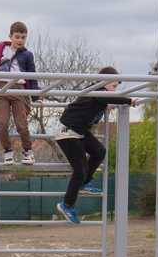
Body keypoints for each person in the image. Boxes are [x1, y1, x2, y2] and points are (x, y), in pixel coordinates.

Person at [54, 66, 137, 223]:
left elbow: (106, 102)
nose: (115, 89)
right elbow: (111, 98)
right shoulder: (96, 90)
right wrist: (129, 101)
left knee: (99, 151)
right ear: (104, 82)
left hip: (80, 132)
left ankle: (85, 182)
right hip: (68, 134)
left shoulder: (101, 98)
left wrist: (109, 105)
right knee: (80, 170)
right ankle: (66, 204)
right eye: (113, 86)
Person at [0, 21, 39, 165]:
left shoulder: (27, 55)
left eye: (23, 37)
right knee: (2, 123)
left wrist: (36, 97)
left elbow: (32, 75)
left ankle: (28, 151)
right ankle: (8, 151)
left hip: (19, 89)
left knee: (21, 124)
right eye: (17, 37)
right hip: (1, 88)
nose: (20, 40)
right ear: (10, 36)